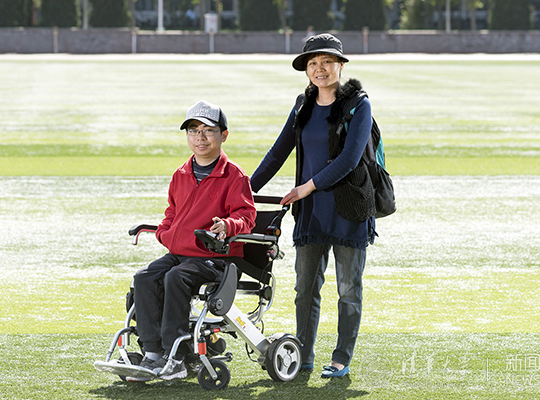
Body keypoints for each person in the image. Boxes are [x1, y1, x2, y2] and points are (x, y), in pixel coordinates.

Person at [250, 33, 376, 379]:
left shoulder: (359, 105)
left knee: (348, 290)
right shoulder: (302, 105)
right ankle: (302, 355)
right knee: (305, 289)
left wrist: (306, 186)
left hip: (349, 211)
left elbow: (350, 159)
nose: (320, 69)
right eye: (313, 63)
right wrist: (243, 191)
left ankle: (341, 358)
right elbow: (278, 153)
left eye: (327, 62)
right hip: (311, 214)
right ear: (307, 69)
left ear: (341, 65)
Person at [131, 100, 256, 381]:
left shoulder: (234, 176)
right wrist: (165, 232)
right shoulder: (181, 174)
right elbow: (172, 212)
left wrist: (227, 225)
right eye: (193, 130)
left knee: (175, 277)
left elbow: (246, 216)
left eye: (208, 130)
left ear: (223, 135)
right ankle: (152, 354)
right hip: (180, 254)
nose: (200, 137)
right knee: (144, 278)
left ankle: (175, 357)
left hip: (215, 257)